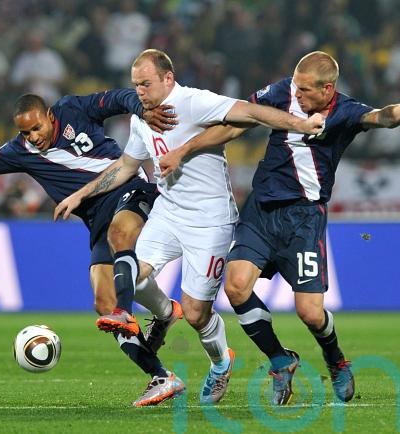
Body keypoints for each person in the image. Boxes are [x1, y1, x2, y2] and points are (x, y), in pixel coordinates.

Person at [159, 51, 400, 405]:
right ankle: (280, 361)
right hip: (261, 211)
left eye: (306, 90)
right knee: (236, 287)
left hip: (304, 219)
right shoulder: (280, 93)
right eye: (296, 87)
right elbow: (235, 122)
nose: (298, 95)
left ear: (327, 89)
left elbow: (382, 117)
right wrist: (184, 149)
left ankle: (335, 359)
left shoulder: (345, 111)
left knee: (309, 312)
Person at [55, 49, 324, 405]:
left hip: (210, 221)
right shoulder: (141, 118)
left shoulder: (194, 102)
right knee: (128, 272)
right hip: (167, 213)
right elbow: (125, 166)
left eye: (145, 84)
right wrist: (81, 194)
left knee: (197, 314)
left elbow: (250, 112)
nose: (139, 92)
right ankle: (164, 314)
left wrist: (300, 125)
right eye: (135, 85)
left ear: (168, 78)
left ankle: (220, 363)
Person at [0, 89, 187, 407]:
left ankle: (129, 311)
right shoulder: (20, 151)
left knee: (121, 238)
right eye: (25, 132)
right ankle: (161, 375)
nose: (33, 136)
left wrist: (142, 109)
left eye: (36, 128)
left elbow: (118, 98)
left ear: (50, 116)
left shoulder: (74, 109)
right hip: (98, 220)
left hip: (130, 189)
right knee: (103, 303)